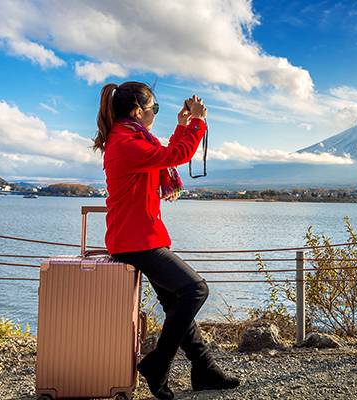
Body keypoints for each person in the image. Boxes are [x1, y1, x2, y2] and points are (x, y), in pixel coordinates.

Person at [93, 81, 240, 399]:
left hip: (137, 236)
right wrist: (198, 122)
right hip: (137, 240)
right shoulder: (127, 143)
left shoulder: (129, 138)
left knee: (175, 303)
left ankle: (205, 370)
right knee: (195, 289)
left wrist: (181, 125)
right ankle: (159, 363)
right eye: (153, 109)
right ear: (137, 111)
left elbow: (162, 156)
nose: (154, 115)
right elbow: (176, 154)